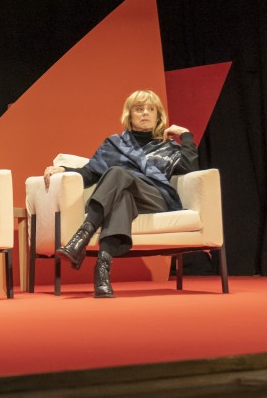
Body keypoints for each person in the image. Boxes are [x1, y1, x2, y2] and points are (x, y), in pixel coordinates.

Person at [42, 89, 197, 298]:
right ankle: (102, 272)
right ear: (129, 115)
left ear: (158, 116)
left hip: (154, 198)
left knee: (117, 172)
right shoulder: (114, 144)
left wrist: (185, 135)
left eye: (151, 109)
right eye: (139, 109)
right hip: (129, 200)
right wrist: (64, 169)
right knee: (122, 198)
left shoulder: (167, 146)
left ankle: (81, 238)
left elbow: (188, 167)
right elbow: (90, 173)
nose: (145, 113)